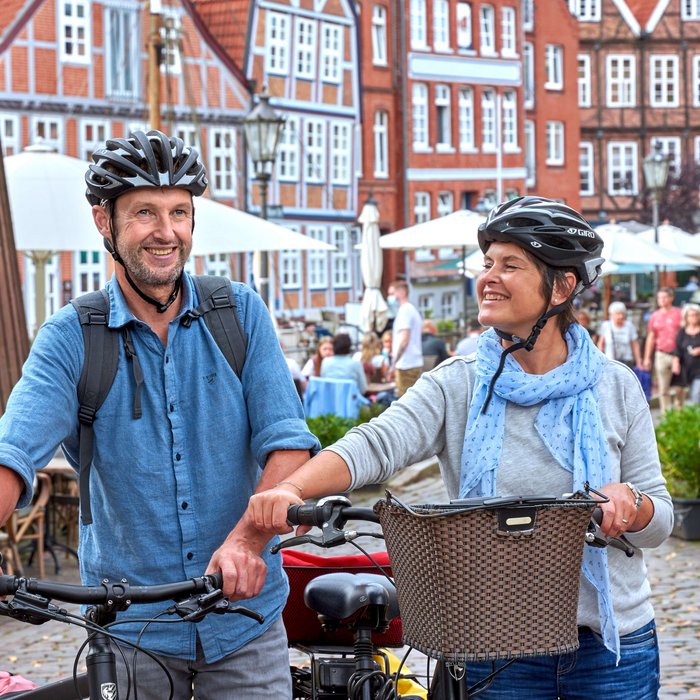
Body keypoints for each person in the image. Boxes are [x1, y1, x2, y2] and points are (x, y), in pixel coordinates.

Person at [248, 196, 673, 699]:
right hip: (495, 649)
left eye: (510, 264)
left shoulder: (615, 386)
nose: (489, 276)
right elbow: (374, 444)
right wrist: (292, 487)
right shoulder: (459, 385)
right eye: (488, 262)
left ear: (561, 286)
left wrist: (634, 504)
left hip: (612, 648)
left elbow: (661, 520)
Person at [0, 130, 320, 698]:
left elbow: (287, 442)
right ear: (104, 222)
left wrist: (246, 542)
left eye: (179, 212)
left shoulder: (238, 313)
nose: (166, 232)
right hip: (130, 628)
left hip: (242, 620)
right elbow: (13, 453)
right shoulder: (73, 336)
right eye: (145, 212)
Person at [643, 287, 683, 411]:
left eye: (665, 297)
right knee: (663, 388)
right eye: (660, 297)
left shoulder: (679, 313)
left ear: (671, 298)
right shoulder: (654, 316)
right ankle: (666, 417)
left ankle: (679, 414)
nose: (662, 300)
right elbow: (651, 337)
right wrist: (647, 357)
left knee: (679, 388)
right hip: (661, 354)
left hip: (678, 355)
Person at [386, 280, 423, 396]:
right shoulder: (411, 309)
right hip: (411, 362)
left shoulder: (405, 310)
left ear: (401, 292)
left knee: (404, 401)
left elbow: (404, 340)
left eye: (392, 293)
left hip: (406, 364)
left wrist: (394, 362)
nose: (390, 298)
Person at [597, 301, 642, 369]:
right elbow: (601, 344)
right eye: (618, 314)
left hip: (627, 362)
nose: (621, 316)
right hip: (610, 361)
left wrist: (639, 361)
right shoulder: (606, 326)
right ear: (611, 314)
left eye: (622, 313)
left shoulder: (629, 326)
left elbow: (635, 345)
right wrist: (600, 360)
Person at [672, 303, 700, 405]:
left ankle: (695, 416)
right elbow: (678, 349)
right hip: (687, 369)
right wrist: (675, 363)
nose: (694, 317)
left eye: (696, 315)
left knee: (696, 394)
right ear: (686, 317)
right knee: (690, 393)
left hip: (698, 369)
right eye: (691, 315)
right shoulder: (682, 332)